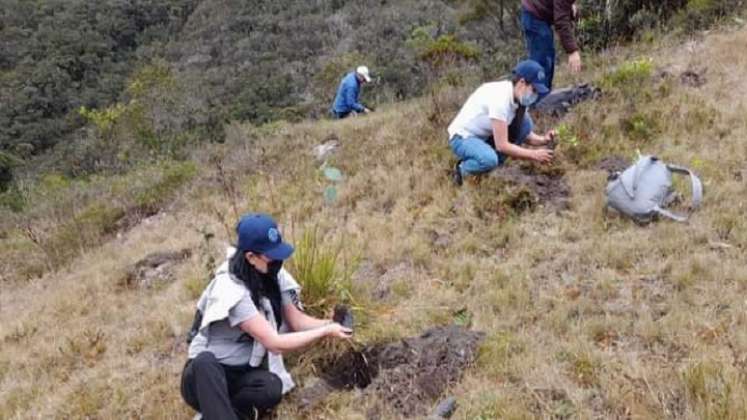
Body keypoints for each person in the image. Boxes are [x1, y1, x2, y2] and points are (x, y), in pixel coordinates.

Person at [181, 213, 352, 420]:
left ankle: (219, 412)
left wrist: (330, 324)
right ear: (251, 257)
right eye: (270, 256)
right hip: (204, 379)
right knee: (205, 362)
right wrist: (325, 331)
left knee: (271, 388)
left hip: (240, 374)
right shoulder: (231, 289)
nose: (277, 261)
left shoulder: (272, 275)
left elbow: (296, 321)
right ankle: (217, 410)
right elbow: (274, 343)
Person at [447, 60, 557, 186]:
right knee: (489, 159)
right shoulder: (500, 99)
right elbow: (502, 145)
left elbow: (524, 134)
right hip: (462, 138)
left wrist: (544, 140)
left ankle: (485, 170)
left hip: (485, 136)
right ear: (522, 83)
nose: (535, 95)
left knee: (525, 123)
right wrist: (533, 155)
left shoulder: (519, 100)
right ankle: (461, 171)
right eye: (534, 89)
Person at [520, 0, 582, 93]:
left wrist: (570, 7)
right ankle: (535, 100)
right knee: (542, 61)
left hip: (536, 13)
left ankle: (542, 96)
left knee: (547, 57)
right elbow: (561, 21)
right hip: (534, 15)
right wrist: (572, 51)